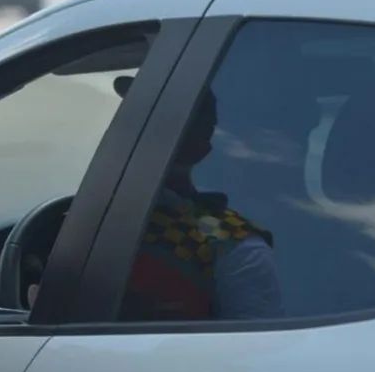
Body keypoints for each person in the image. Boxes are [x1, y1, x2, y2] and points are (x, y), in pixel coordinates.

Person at [28, 78, 284, 321]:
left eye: (158, 128)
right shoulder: (101, 222)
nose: (130, 136)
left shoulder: (235, 244)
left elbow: (254, 351)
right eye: (128, 123)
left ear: (200, 149)